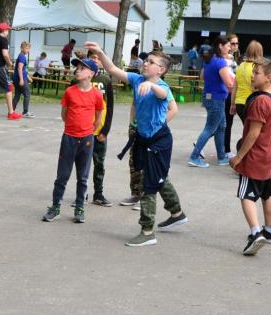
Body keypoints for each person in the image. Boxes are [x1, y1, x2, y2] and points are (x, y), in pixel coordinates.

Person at [84, 42, 186, 247]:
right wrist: (100, 53)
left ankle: (147, 231)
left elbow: (163, 95)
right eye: (146, 60)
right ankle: (177, 213)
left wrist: (152, 86)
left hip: (159, 141)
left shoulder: (162, 86)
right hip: (142, 137)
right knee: (157, 177)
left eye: (151, 62)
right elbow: (113, 69)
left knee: (149, 183)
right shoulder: (137, 79)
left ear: (161, 70)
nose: (145, 63)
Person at [42, 56, 105, 224]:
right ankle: (55, 207)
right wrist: (72, 128)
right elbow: (64, 114)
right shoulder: (70, 91)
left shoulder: (97, 95)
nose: (78, 70)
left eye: (82, 68)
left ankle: (79, 207)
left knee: (83, 177)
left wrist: (88, 131)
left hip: (87, 139)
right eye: (77, 67)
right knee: (62, 176)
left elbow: (98, 117)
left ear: (91, 73)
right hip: (69, 138)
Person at [230, 58, 271, 256]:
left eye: (256, 73)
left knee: (246, 195)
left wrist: (239, 157)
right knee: (267, 193)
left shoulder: (260, 101)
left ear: (268, 77)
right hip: (269, 155)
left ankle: (255, 233)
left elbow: (253, 133)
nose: (252, 76)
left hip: (255, 156)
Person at [188, 32, 236, 167]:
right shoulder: (220, 62)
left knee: (221, 127)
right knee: (210, 128)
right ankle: (194, 156)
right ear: (220, 46)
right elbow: (229, 84)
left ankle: (221, 157)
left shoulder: (209, 60)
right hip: (217, 98)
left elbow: (202, 77)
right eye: (228, 46)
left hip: (209, 97)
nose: (229, 48)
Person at [90, 52, 116, 206]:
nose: (95, 60)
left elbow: (110, 107)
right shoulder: (78, 79)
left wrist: (105, 130)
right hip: (83, 131)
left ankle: (98, 194)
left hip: (99, 131)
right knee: (82, 165)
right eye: (92, 58)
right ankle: (81, 194)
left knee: (99, 164)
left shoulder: (105, 80)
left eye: (98, 58)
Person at [232, 40, 263, 138]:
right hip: (251, 103)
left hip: (239, 103)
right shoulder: (257, 68)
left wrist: (232, 104)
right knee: (253, 133)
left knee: (247, 130)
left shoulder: (240, 66)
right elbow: (257, 88)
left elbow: (235, 86)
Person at [12, 41, 33, 118]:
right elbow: (19, 68)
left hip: (18, 78)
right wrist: (21, 79)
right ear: (21, 48)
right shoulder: (22, 57)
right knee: (27, 94)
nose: (28, 50)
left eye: (29, 48)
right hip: (20, 79)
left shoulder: (22, 56)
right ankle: (25, 112)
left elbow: (24, 69)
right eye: (26, 48)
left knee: (17, 95)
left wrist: (28, 77)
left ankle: (11, 111)